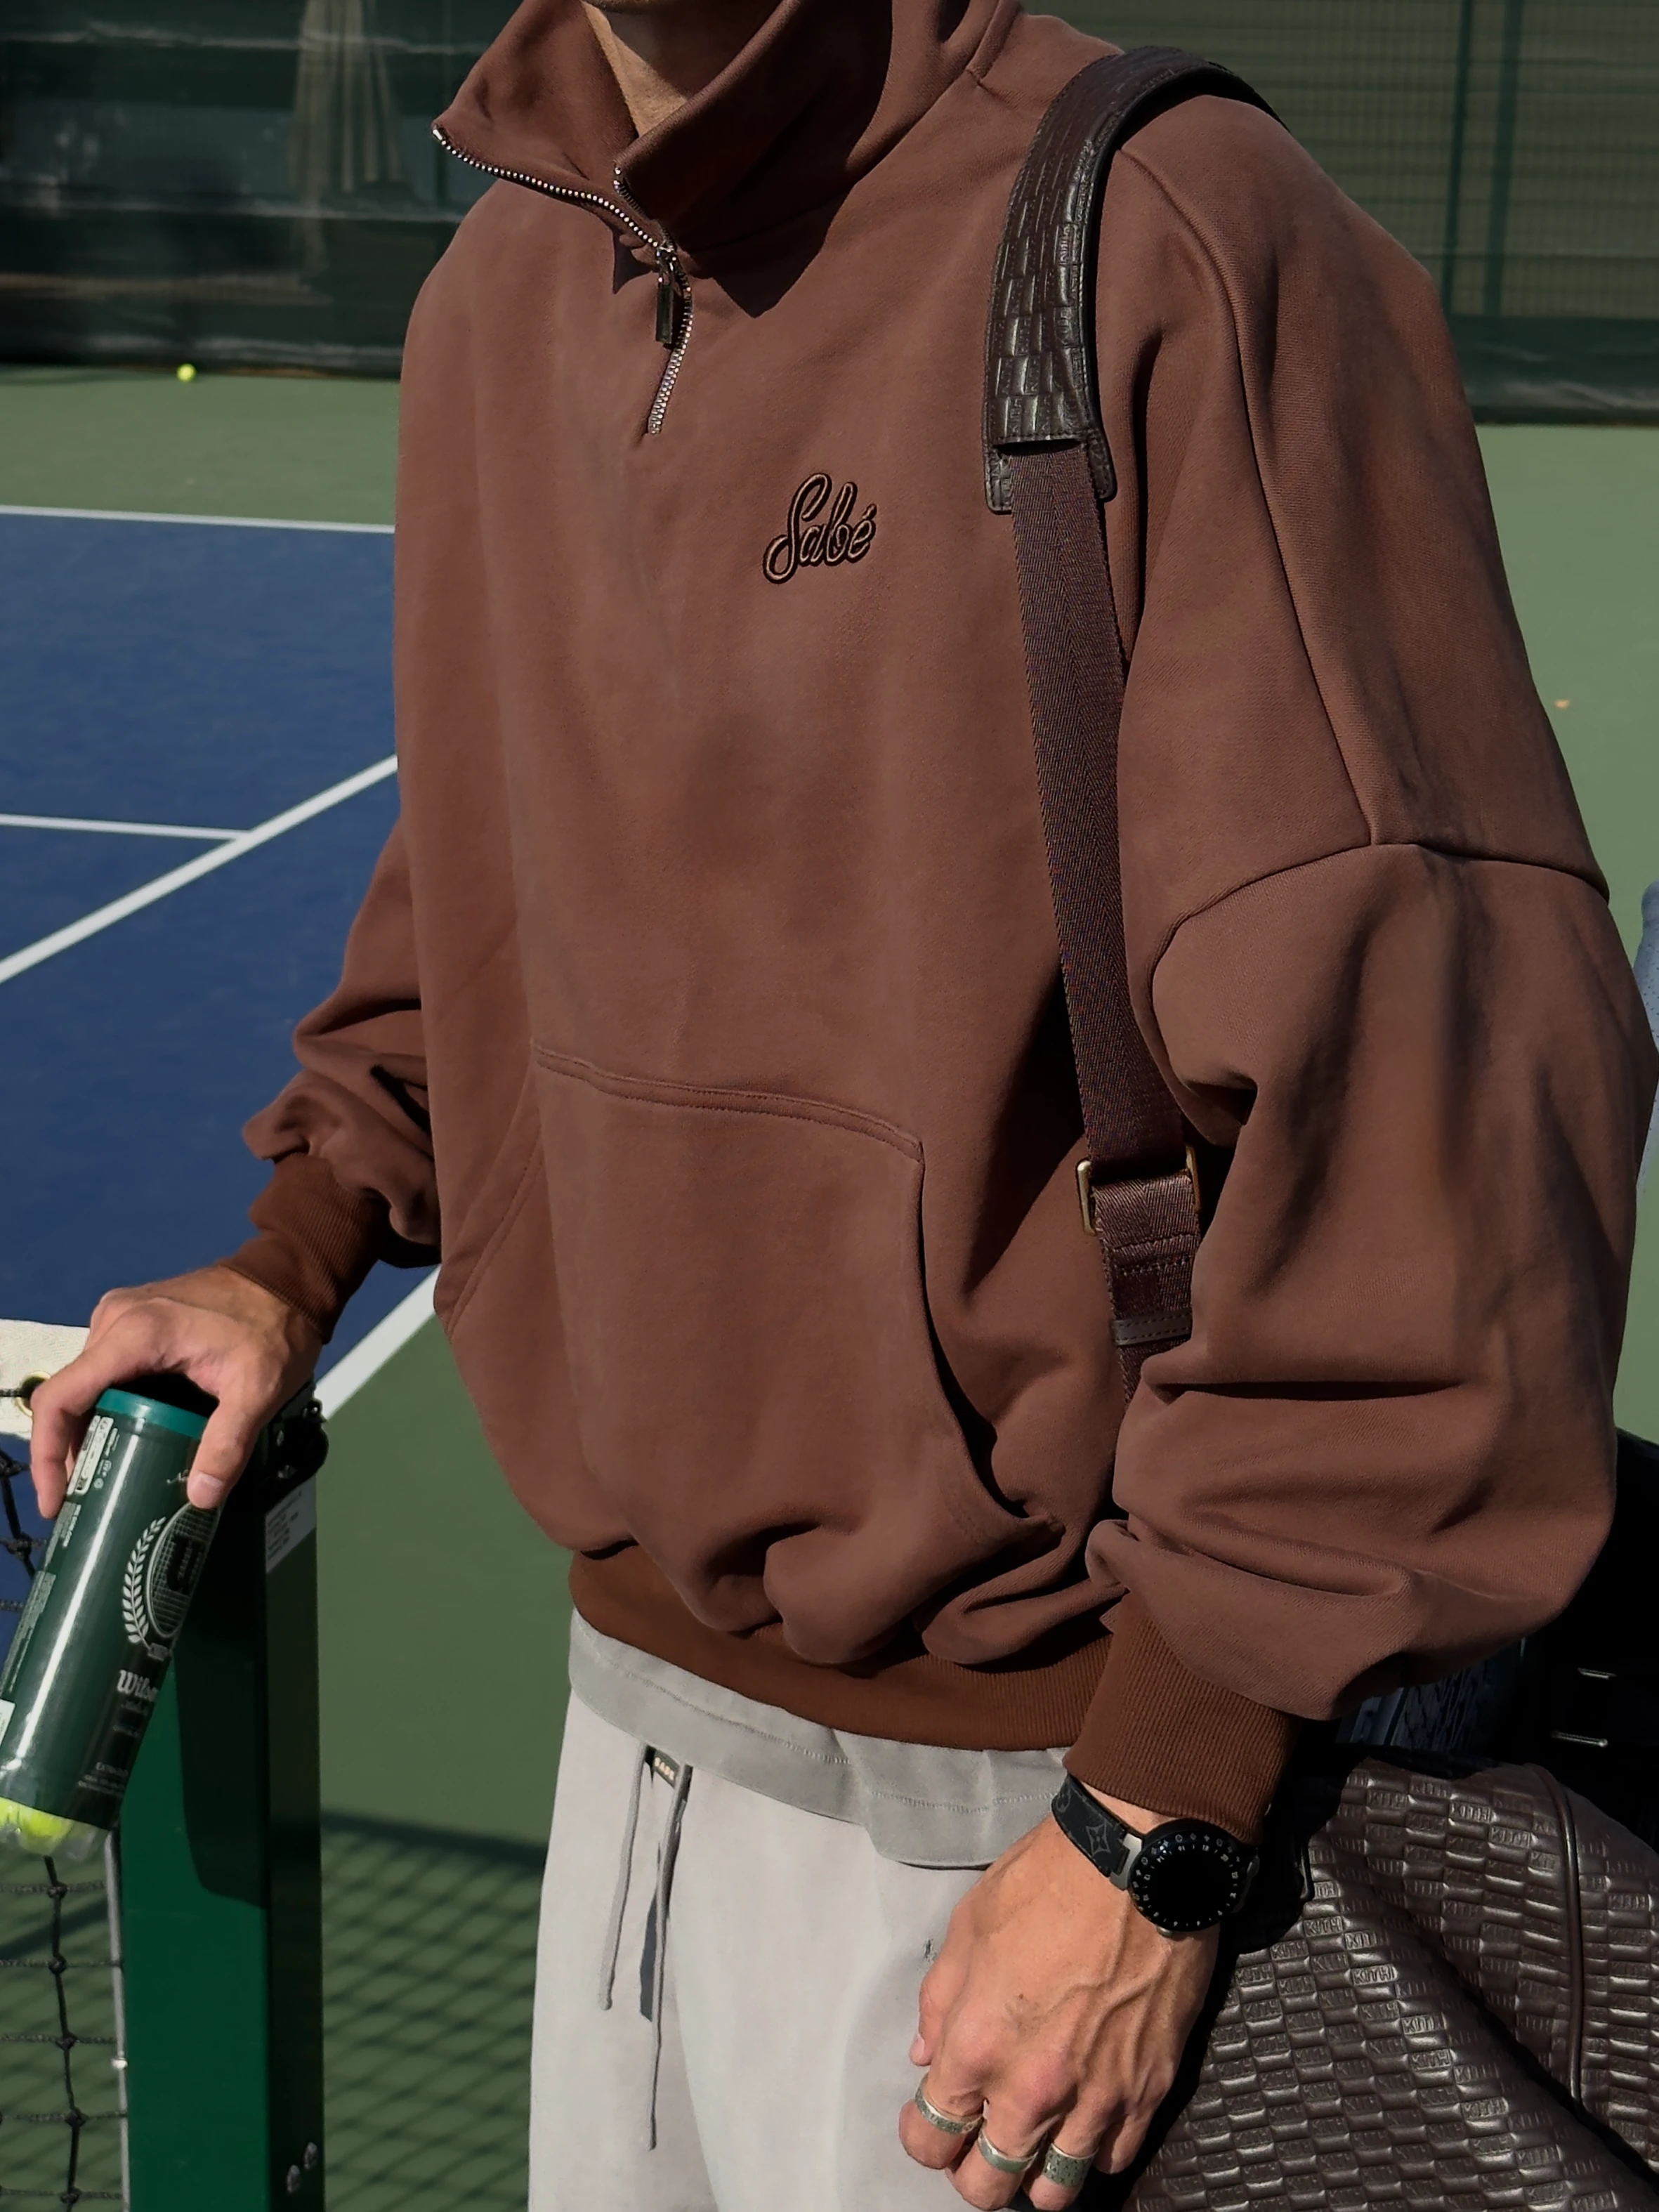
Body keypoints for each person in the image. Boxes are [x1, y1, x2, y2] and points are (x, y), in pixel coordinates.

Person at [32, 2, 1656, 2206]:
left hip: (1056, 1817)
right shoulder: (496, 294)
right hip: (637, 1748)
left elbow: (1435, 1119)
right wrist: (290, 1251)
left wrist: (1158, 1812)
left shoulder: (1176, 233)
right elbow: (482, 897)